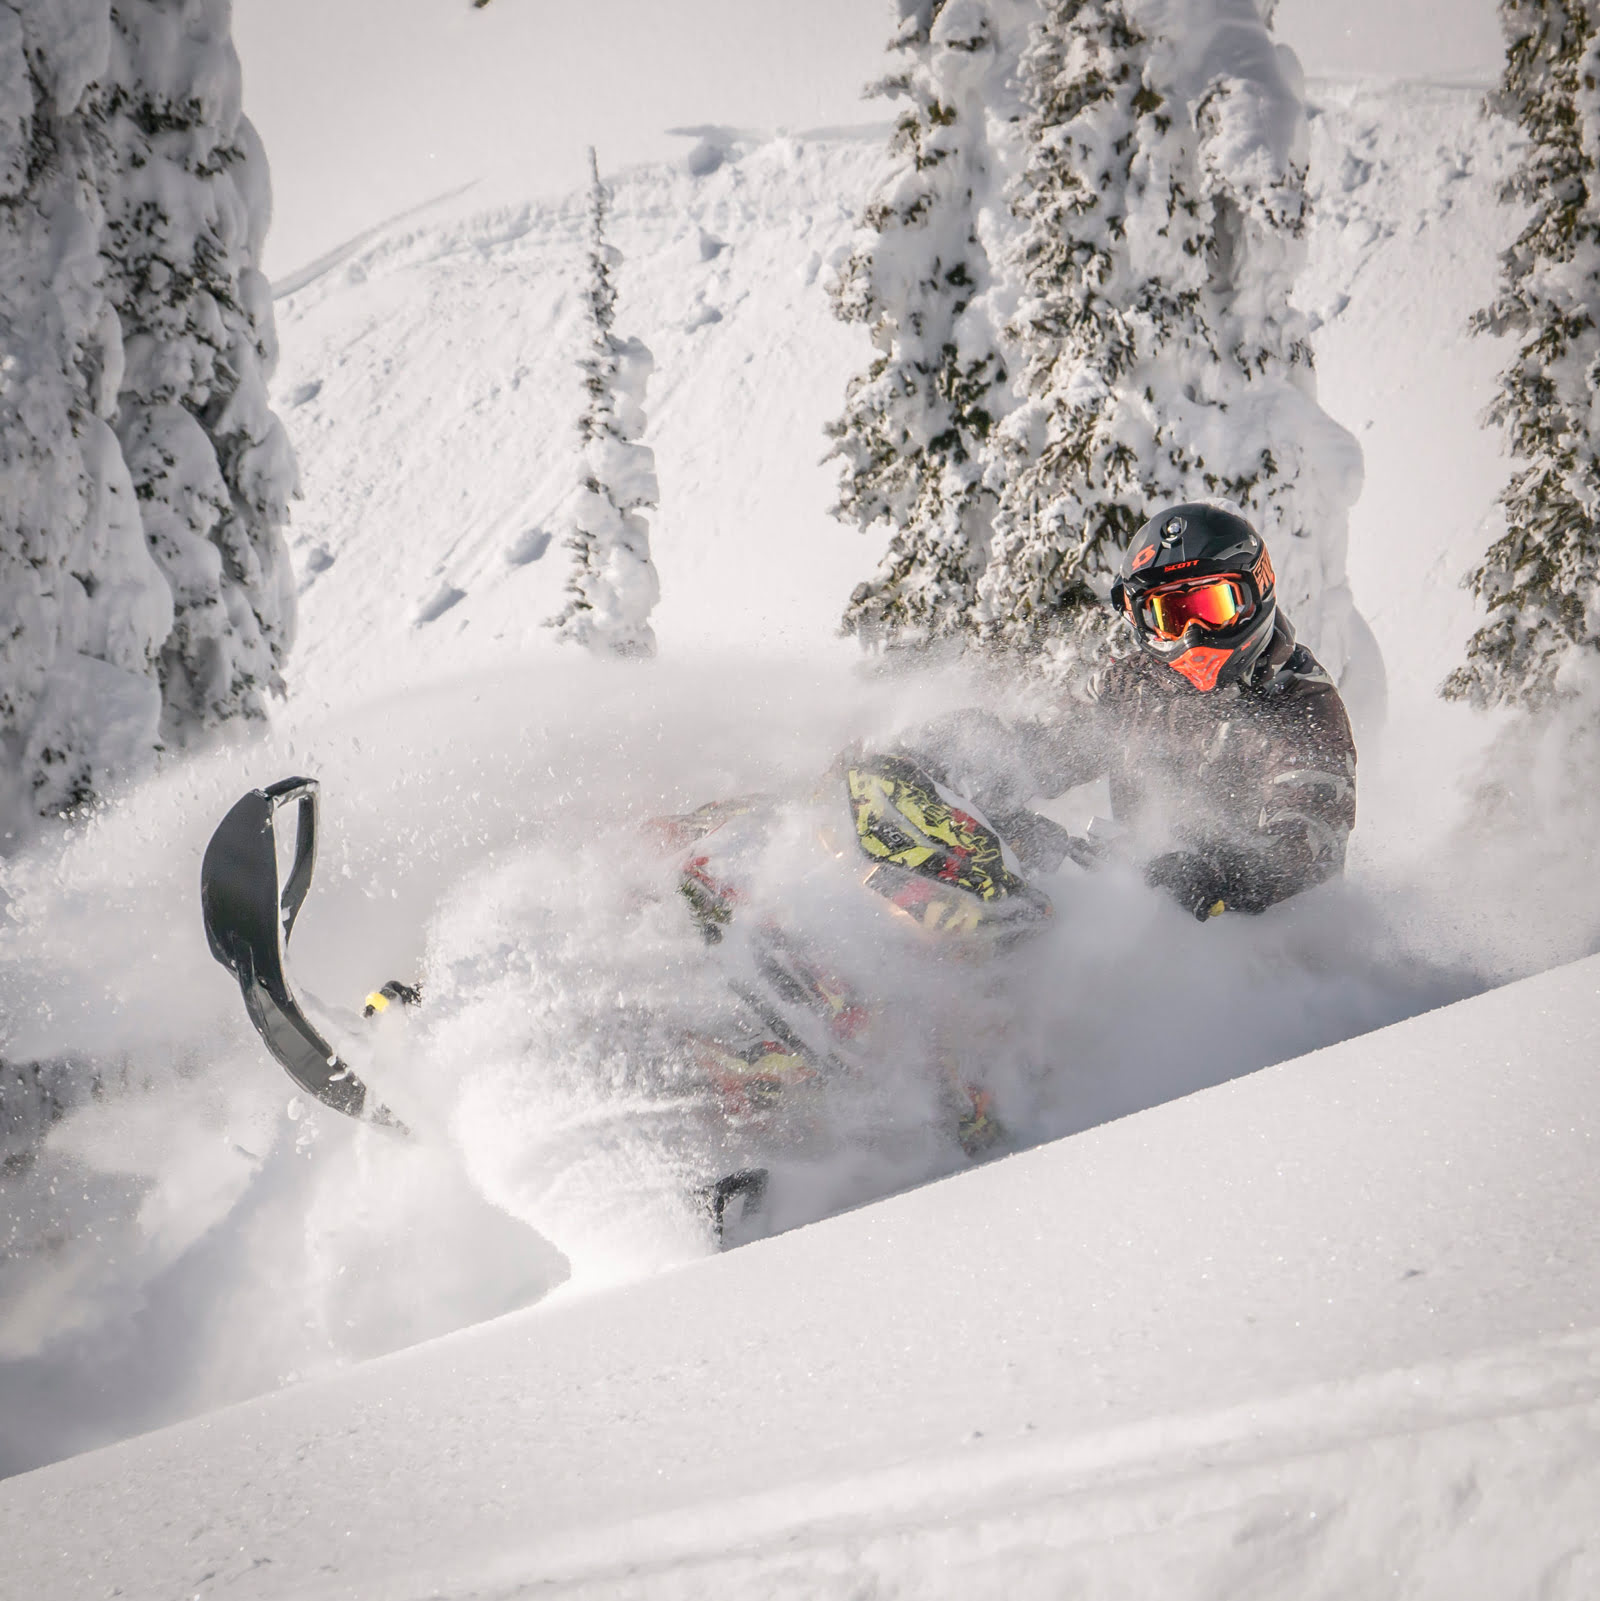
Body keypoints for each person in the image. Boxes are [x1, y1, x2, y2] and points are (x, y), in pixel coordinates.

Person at [915, 502, 1358, 920]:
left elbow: (1307, 835)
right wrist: (972, 753)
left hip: (1260, 936)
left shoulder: (1300, 702)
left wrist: (1219, 872)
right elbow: (1047, 746)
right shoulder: (1130, 686)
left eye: (1211, 607)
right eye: (1170, 616)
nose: (1192, 634)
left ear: (1255, 592)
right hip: (1143, 902)